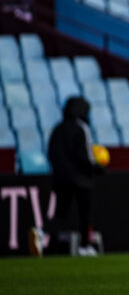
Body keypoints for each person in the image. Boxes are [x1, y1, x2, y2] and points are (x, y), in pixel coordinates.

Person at [28, 96, 103, 257]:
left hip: (60, 178)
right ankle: (85, 247)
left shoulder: (58, 129)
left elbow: (51, 153)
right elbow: (84, 157)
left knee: (61, 214)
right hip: (81, 180)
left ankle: (41, 232)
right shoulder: (81, 128)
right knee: (85, 214)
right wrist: (98, 168)